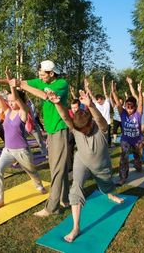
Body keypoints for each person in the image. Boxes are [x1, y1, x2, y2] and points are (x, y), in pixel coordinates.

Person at [47, 88, 124, 242]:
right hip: (81, 161)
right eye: (78, 130)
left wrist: (91, 105)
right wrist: (58, 104)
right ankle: (76, 227)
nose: (81, 132)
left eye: (83, 129)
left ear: (90, 123)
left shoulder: (101, 128)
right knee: (76, 188)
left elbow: (101, 119)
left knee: (106, 186)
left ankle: (110, 194)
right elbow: (64, 116)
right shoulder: (76, 128)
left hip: (101, 166)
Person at [0, 68, 46, 211]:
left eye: (12, 100)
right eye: (9, 101)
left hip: (22, 151)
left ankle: (38, 185)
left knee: (31, 171)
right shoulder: (7, 111)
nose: (10, 102)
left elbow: (17, 100)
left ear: (19, 100)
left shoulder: (23, 112)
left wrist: (12, 85)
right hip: (7, 150)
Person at [8, 60, 70, 217]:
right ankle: (65, 198)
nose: (40, 77)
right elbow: (20, 82)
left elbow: (44, 95)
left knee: (56, 169)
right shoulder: (42, 80)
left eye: (43, 75)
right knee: (58, 167)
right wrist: (3, 81)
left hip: (60, 130)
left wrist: (23, 86)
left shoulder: (61, 83)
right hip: (51, 131)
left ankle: (52, 208)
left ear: (51, 73)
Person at [111, 79, 144, 186]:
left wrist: (140, 92)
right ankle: (122, 178)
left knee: (137, 158)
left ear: (135, 107)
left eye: (132, 108)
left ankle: (138, 165)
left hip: (137, 141)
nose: (129, 110)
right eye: (128, 107)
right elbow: (117, 103)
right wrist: (114, 91)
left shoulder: (138, 114)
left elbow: (141, 105)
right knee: (123, 158)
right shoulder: (123, 113)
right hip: (125, 140)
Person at [93, 76, 112, 146]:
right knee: (100, 135)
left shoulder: (107, 102)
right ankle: (101, 145)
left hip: (108, 123)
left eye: (99, 100)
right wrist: (87, 87)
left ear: (102, 99)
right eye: (97, 101)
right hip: (99, 123)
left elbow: (105, 93)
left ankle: (109, 145)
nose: (98, 102)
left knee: (108, 136)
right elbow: (91, 96)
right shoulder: (96, 104)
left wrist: (103, 82)